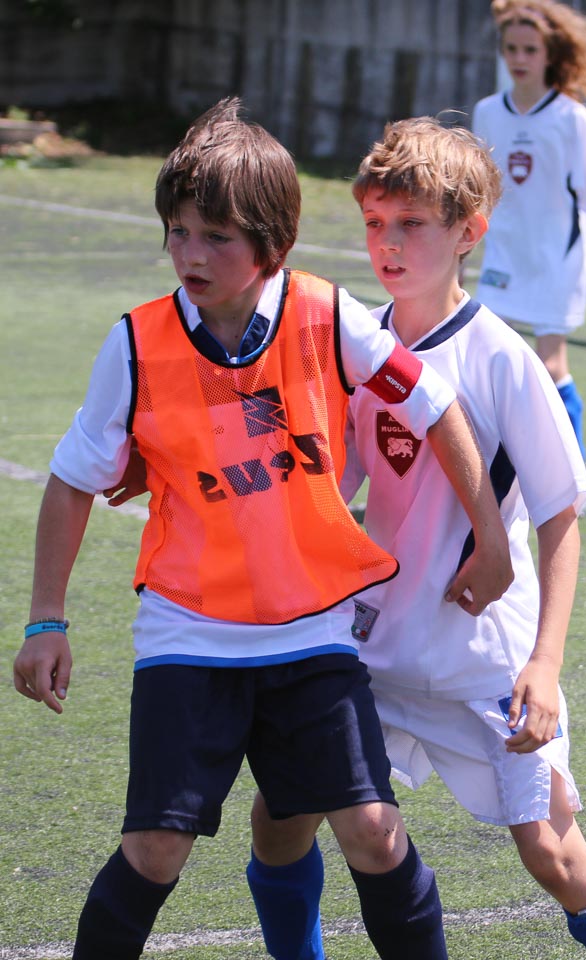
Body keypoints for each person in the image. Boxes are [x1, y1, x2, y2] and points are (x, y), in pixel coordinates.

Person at [12, 97, 514, 960]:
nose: (190, 254)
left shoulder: (326, 316)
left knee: (375, 832)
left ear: (273, 246)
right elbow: (72, 481)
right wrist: (45, 620)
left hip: (312, 634)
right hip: (188, 636)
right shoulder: (135, 344)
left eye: (217, 238)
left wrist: (492, 538)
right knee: (156, 850)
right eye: (178, 232)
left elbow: (436, 406)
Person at [247, 116, 586, 960]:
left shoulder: (501, 358)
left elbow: (561, 514)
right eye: (375, 222)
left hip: (484, 659)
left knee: (554, 857)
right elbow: (329, 485)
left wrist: (544, 664)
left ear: (469, 231)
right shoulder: (355, 345)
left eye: (413, 223)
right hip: (374, 648)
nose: (388, 243)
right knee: (279, 816)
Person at [472, 0, 586, 478]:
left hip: (556, 263)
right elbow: (476, 194)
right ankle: (496, 474)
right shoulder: (487, 112)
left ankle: (571, 476)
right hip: (504, 259)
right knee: (488, 362)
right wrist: (458, 262)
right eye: (511, 49)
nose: (519, 58)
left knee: (549, 366)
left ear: (550, 55)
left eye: (530, 49)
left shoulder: (571, 118)